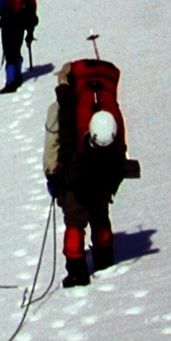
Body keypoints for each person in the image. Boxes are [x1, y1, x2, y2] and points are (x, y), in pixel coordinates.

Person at [43, 59, 129, 288]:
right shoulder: (106, 107)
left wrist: (51, 174)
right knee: (100, 215)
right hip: (104, 175)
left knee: (74, 222)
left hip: (72, 178)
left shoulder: (60, 108)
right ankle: (104, 258)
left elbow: (52, 143)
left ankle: (77, 271)